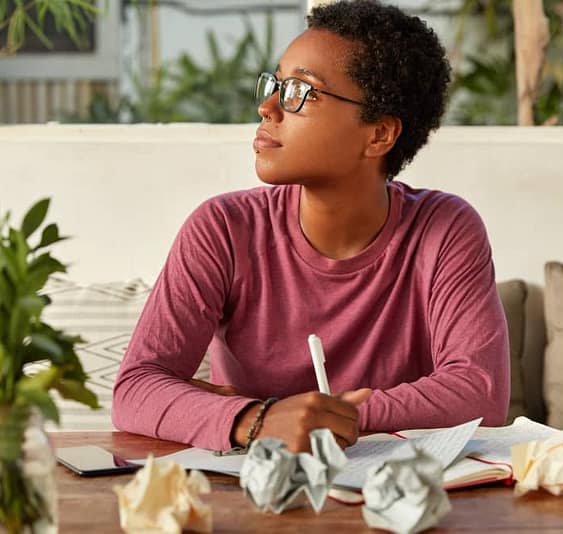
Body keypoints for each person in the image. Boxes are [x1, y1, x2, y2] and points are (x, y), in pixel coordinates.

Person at [112, 0, 509, 453]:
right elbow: (135, 389)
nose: (267, 107)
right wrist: (259, 420)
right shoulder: (223, 228)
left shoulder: (445, 229)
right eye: (277, 84)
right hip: (252, 485)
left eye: (301, 91)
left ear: (378, 134)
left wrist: (321, 417)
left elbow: (480, 393)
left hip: (394, 488)